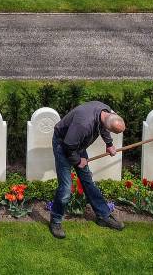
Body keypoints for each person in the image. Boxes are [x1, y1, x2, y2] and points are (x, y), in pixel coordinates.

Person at [48, 101, 127, 238]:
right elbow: (68, 146)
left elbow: (103, 128)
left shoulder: (106, 111)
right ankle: (55, 221)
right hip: (63, 145)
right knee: (66, 188)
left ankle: (103, 216)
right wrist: (78, 161)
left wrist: (109, 144)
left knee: (88, 181)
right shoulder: (84, 124)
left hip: (77, 144)